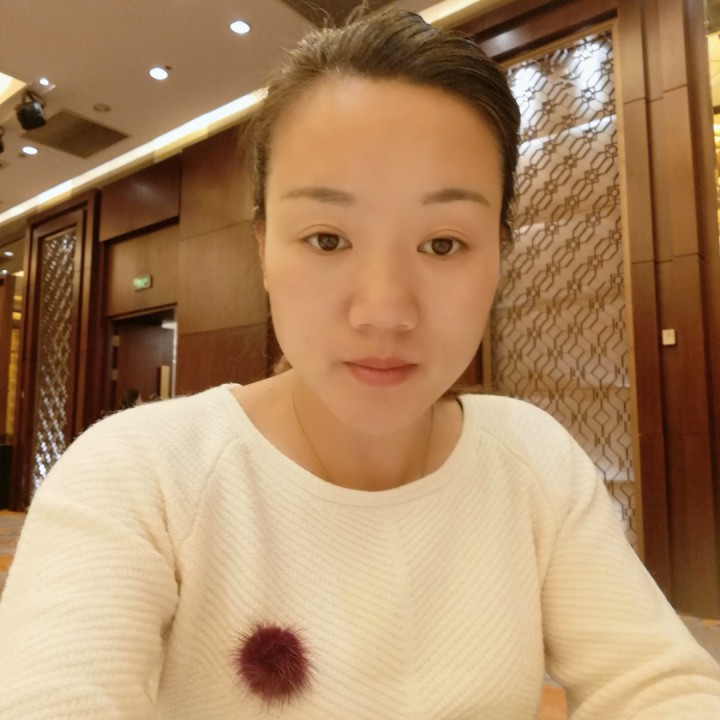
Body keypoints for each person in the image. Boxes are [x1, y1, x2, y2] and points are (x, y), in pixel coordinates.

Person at [1, 7, 719, 719]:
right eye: (327, 239)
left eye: (442, 244)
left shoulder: (531, 459)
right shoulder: (142, 474)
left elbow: (656, 685)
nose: (384, 311)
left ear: (499, 255)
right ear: (264, 249)